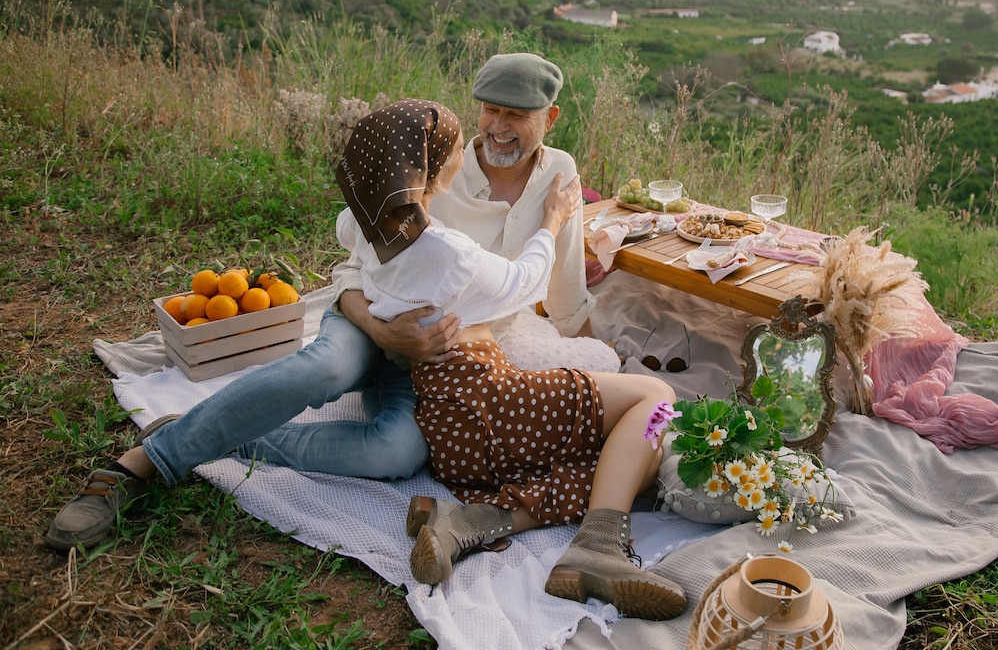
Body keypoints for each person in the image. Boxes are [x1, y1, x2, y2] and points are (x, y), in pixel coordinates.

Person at [45, 52, 613, 550]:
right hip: (370, 324)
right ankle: (141, 464)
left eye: (516, 114)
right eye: (490, 109)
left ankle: (218, 431)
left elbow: (557, 280)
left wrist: (586, 340)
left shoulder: (559, 174)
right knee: (328, 366)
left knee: (398, 455)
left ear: (550, 118)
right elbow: (353, 262)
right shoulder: (423, 169)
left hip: (441, 360)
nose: (498, 126)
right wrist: (381, 330)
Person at [334, 98, 686, 621]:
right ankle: (600, 548)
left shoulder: (365, 228)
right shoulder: (447, 250)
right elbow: (526, 282)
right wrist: (554, 220)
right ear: (434, 168)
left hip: (450, 429)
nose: (469, 149)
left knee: (639, 455)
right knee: (658, 401)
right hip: (491, 407)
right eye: (458, 146)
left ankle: (467, 521)